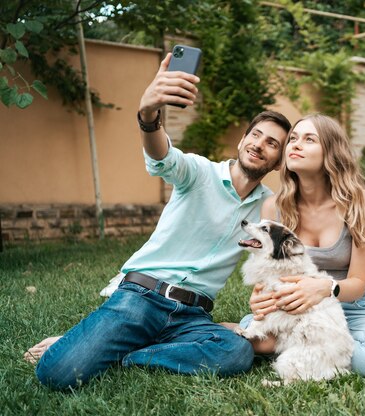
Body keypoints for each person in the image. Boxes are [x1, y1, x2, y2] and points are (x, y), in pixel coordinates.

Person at [24, 52, 291, 390]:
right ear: (242, 140)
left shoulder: (268, 209)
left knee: (236, 352)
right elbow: (161, 155)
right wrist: (149, 114)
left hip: (192, 317)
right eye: (255, 135)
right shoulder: (198, 171)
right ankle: (100, 343)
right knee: (57, 373)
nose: (259, 145)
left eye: (272, 144)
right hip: (142, 296)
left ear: (279, 162)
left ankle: (123, 354)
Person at [238, 114, 365, 375]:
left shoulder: (361, 203)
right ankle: (320, 351)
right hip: (297, 310)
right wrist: (260, 300)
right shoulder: (275, 207)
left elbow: (359, 284)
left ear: (331, 152)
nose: (295, 144)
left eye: (309, 139)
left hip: (356, 306)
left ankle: (321, 350)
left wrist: (323, 288)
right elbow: (266, 273)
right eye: (293, 139)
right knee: (251, 339)